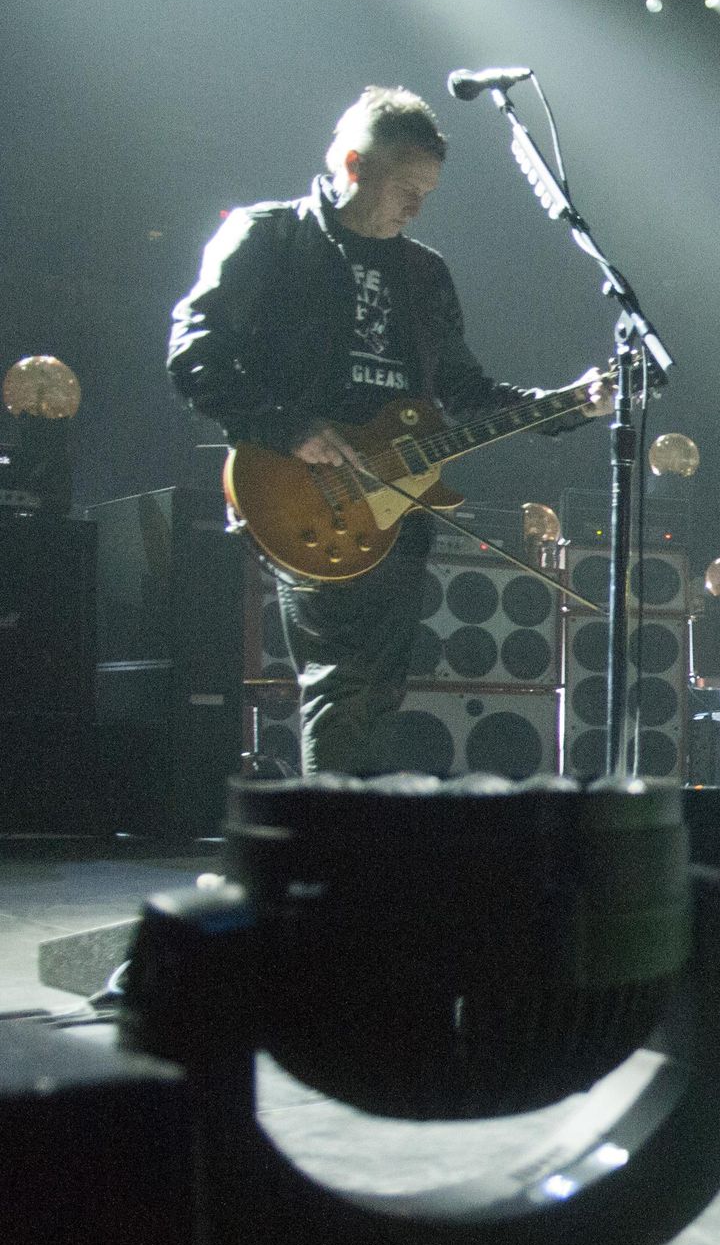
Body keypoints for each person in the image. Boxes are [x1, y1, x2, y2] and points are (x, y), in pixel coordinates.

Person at [168, 86, 609, 775]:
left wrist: (571, 403)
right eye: (406, 188)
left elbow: (467, 394)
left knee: (378, 694)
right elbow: (194, 351)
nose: (416, 206)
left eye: (427, 193)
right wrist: (289, 429)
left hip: (396, 510)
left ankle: (354, 848)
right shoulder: (271, 236)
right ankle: (336, 861)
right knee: (343, 688)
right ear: (353, 164)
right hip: (307, 492)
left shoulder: (424, 273)